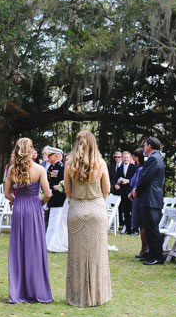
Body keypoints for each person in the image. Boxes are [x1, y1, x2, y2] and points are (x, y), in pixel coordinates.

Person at [64, 131, 112, 306]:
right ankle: (97, 296)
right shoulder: (101, 164)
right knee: (97, 256)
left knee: (76, 257)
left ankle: (77, 296)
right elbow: (106, 190)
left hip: (76, 209)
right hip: (97, 210)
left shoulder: (69, 164)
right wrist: (97, 201)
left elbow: (68, 192)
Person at [5, 138, 53, 303]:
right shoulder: (40, 169)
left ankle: (18, 290)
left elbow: (7, 193)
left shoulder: (12, 170)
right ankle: (36, 288)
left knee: (19, 248)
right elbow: (47, 194)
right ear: (30, 150)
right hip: (34, 208)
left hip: (19, 208)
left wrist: (15, 201)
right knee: (34, 247)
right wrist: (40, 203)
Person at [133, 137, 165, 265]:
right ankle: (151, 253)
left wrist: (137, 191)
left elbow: (146, 178)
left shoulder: (153, 158)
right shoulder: (156, 157)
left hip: (151, 198)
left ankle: (157, 256)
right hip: (151, 197)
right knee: (149, 227)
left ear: (150, 146)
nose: (144, 148)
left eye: (145, 145)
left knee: (152, 228)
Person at [129, 148, 147, 258]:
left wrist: (132, 193)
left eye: (135, 158)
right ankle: (144, 248)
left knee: (142, 225)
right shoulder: (140, 169)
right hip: (137, 198)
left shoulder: (141, 170)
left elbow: (136, 184)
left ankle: (144, 248)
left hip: (139, 199)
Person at [115, 151, 137, 234]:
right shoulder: (120, 168)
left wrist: (128, 181)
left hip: (131, 192)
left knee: (133, 210)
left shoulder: (134, 167)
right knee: (126, 211)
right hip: (123, 192)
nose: (125, 159)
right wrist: (118, 182)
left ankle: (135, 230)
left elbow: (136, 179)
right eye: (124, 157)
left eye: (127, 157)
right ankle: (128, 229)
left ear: (130, 158)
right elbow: (117, 179)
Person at [44, 147, 66, 231]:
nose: (48, 157)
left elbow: (62, 183)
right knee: (51, 221)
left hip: (58, 198)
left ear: (56, 156)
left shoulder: (61, 167)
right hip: (51, 198)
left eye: (50, 155)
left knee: (55, 221)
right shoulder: (51, 167)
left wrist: (53, 190)